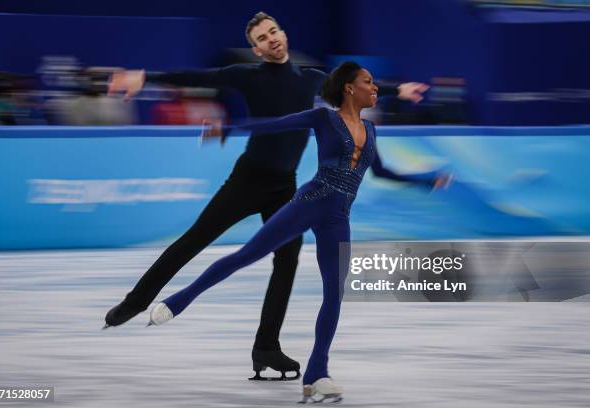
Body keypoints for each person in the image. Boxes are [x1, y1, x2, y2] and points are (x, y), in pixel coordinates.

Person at [105, 11, 430, 380]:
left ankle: (266, 347)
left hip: (285, 185)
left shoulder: (313, 79)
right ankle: (136, 301)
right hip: (248, 180)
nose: (270, 38)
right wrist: (145, 76)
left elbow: (352, 89)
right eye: (261, 38)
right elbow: (197, 76)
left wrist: (398, 90)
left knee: (286, 263)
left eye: (273, 31)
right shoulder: (246, 75)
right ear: (257, 50)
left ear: (284, 34)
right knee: (196, 239)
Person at [146, 61, 451, 402]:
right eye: (369, 82)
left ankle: (317, 373)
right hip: (309, 201)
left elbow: (382, 172)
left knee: (334, 292)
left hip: (339, 217)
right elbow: (273, 125)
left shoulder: (372, 130)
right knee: (248, 254)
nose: (375, 88)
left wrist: (426, 179)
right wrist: (229, 128)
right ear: (349, 88)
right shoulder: (324, 119)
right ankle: (179, 300)